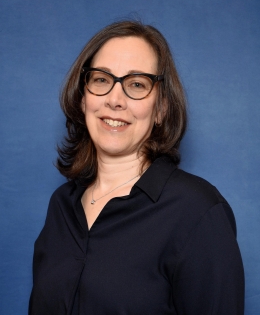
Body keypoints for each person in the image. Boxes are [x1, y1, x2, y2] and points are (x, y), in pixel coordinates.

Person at [29, 20, 244, 315]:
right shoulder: (62, 207)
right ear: (83, 97)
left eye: (137, 84)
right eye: (102, 79)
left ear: (161, 109)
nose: (115, 100)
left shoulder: (197, 212)